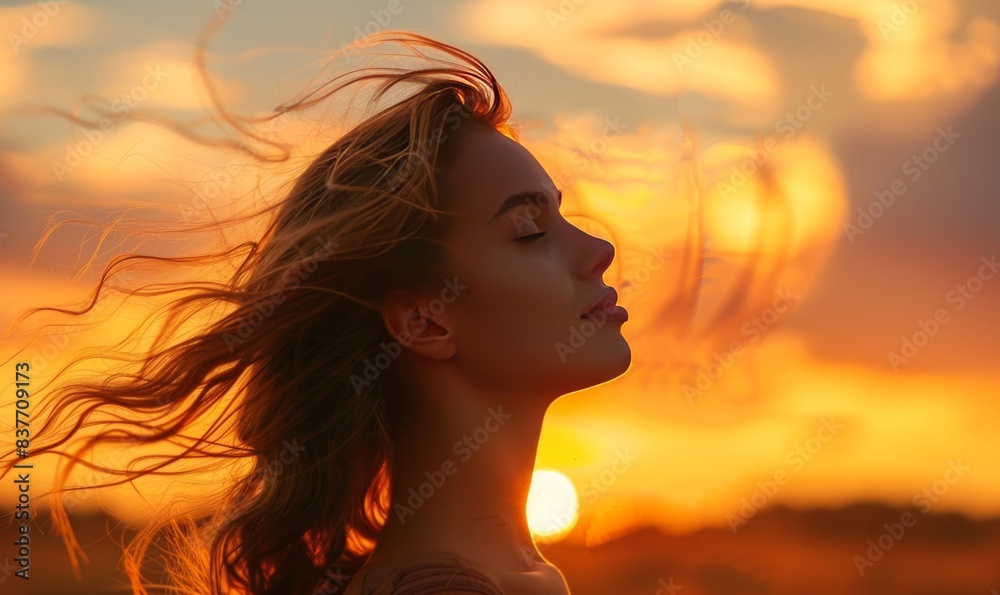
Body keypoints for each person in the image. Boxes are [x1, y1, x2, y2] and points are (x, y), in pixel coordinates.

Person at [2, 30, 629, 595]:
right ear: (424, 321)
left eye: (561, 214)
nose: (599, 249)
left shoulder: (495, 573)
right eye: (528, 228)